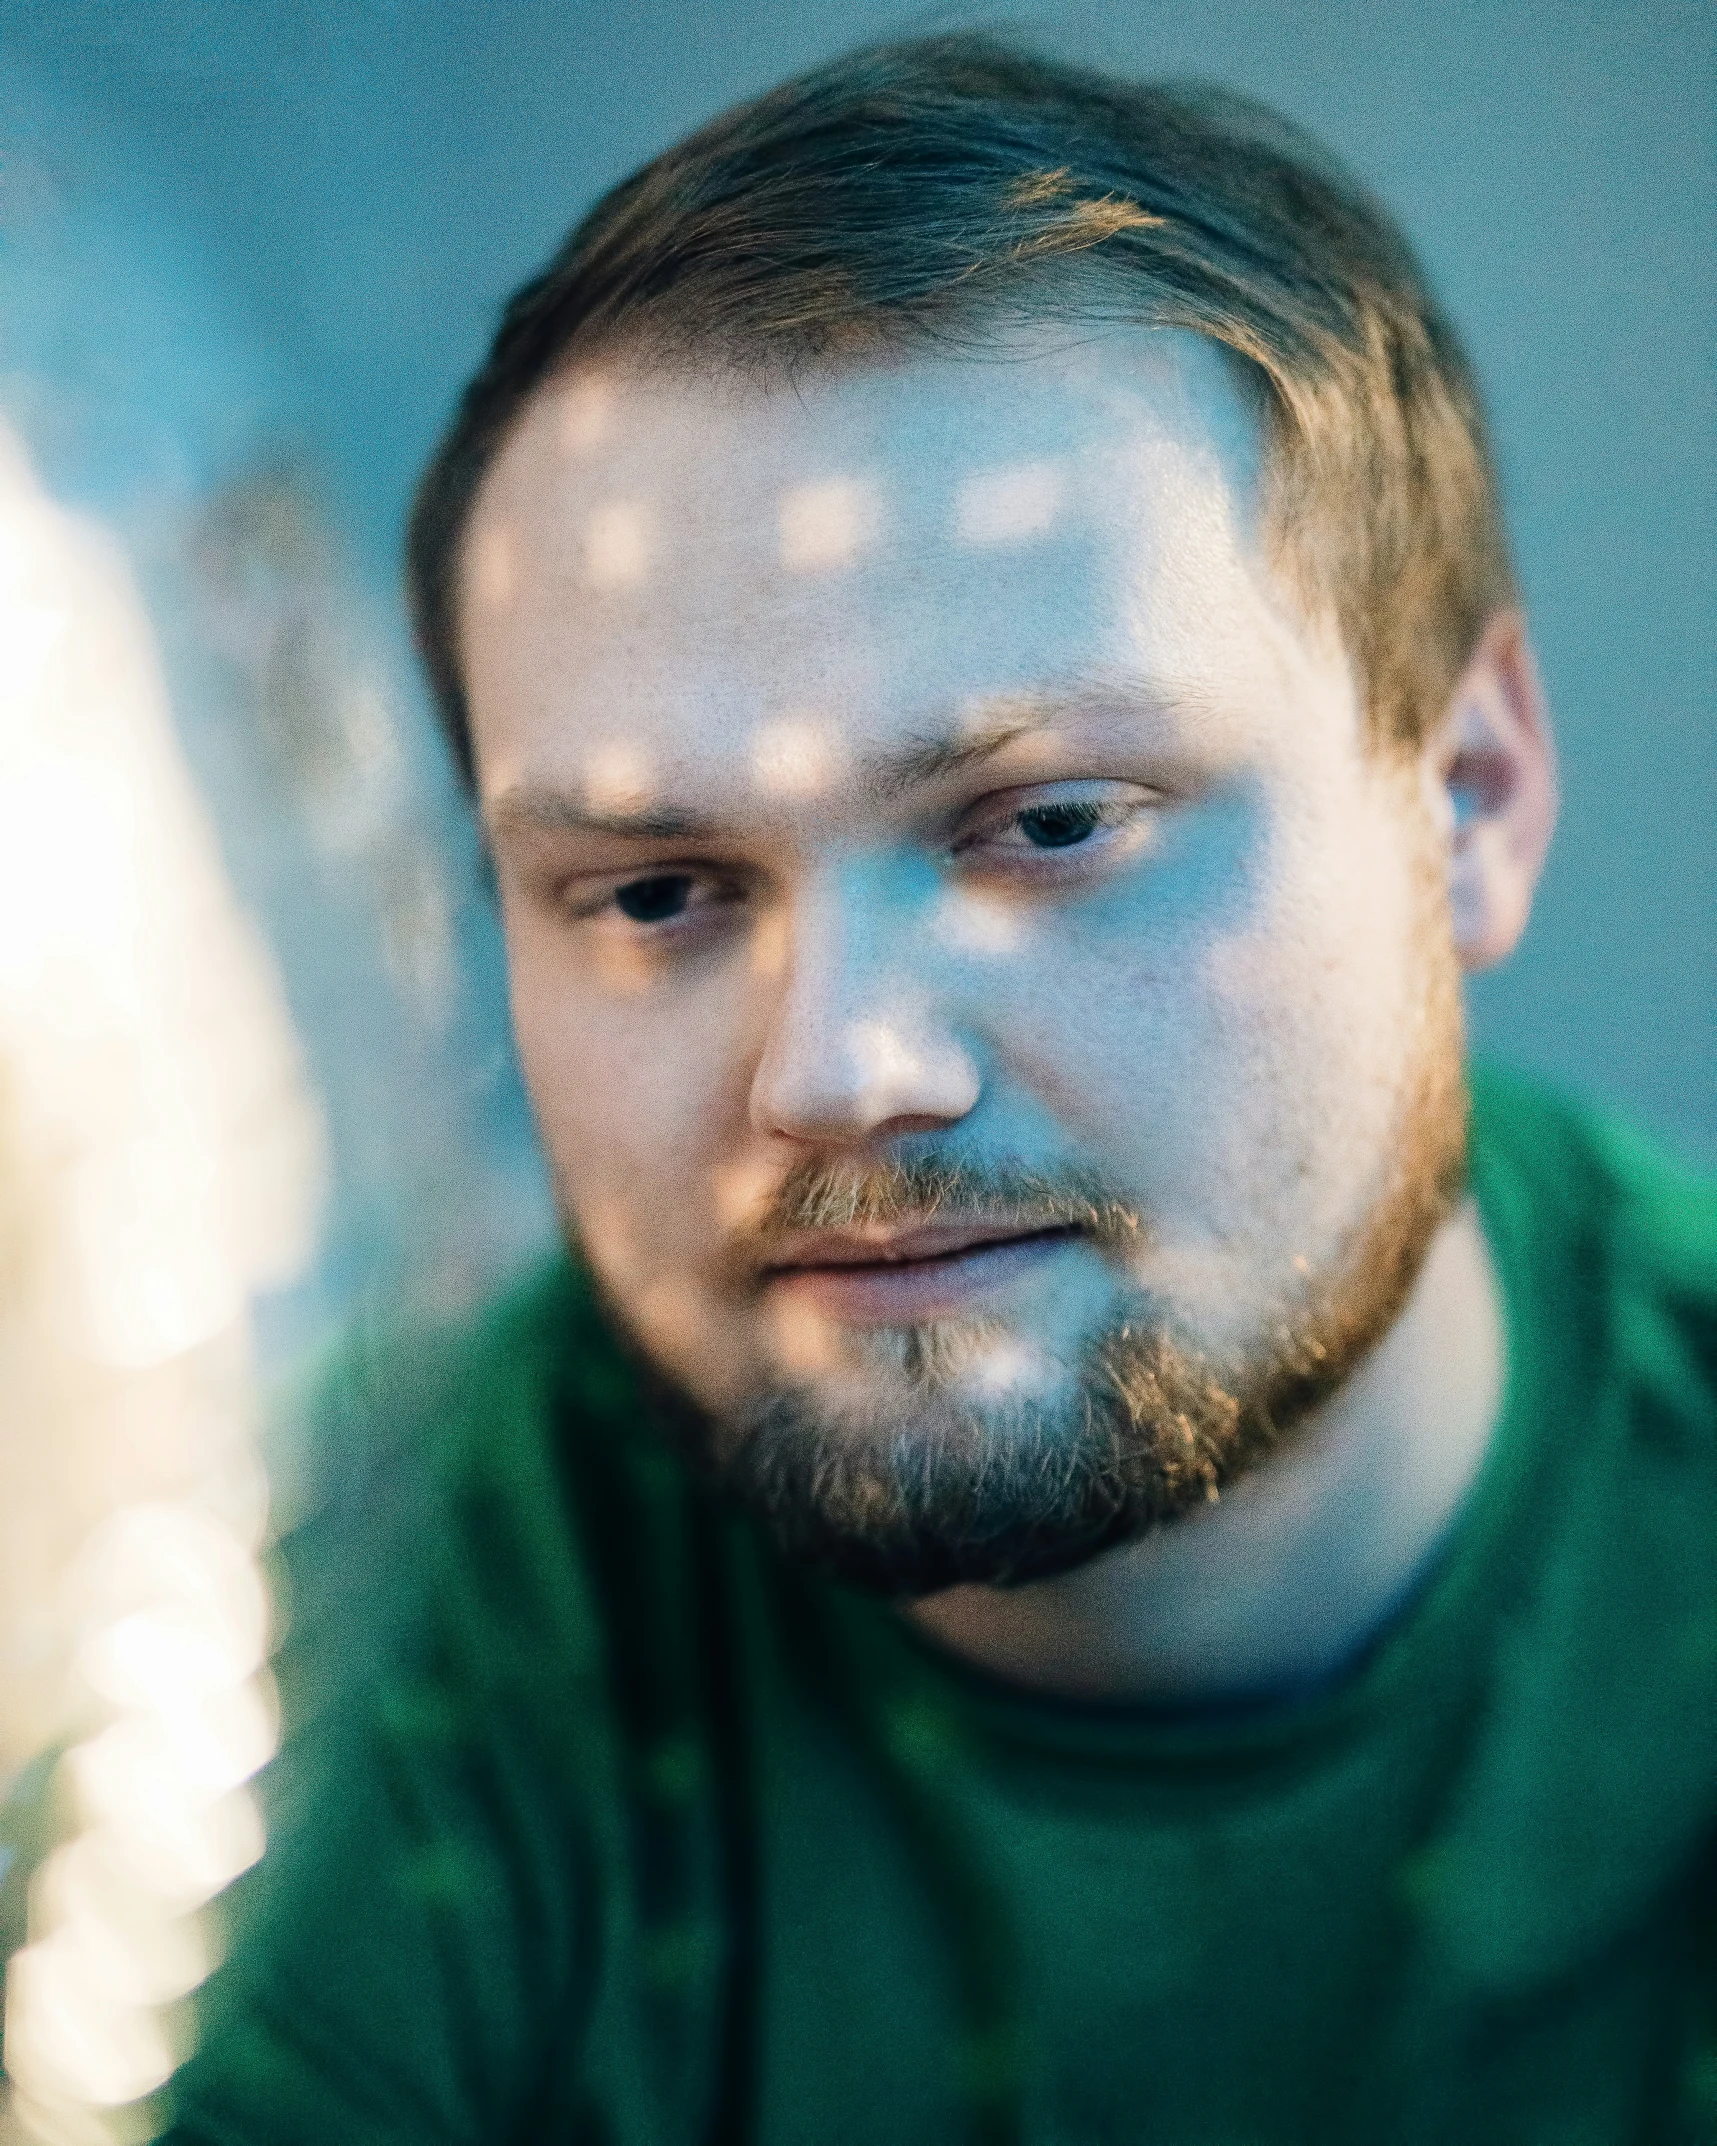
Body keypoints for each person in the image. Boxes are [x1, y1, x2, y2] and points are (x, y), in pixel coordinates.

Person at [162, 36, 1716, 2144]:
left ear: (1470, 799)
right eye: (655, 887)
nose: (836, 1067)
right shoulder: (334, 1594)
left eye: (1051, 822)